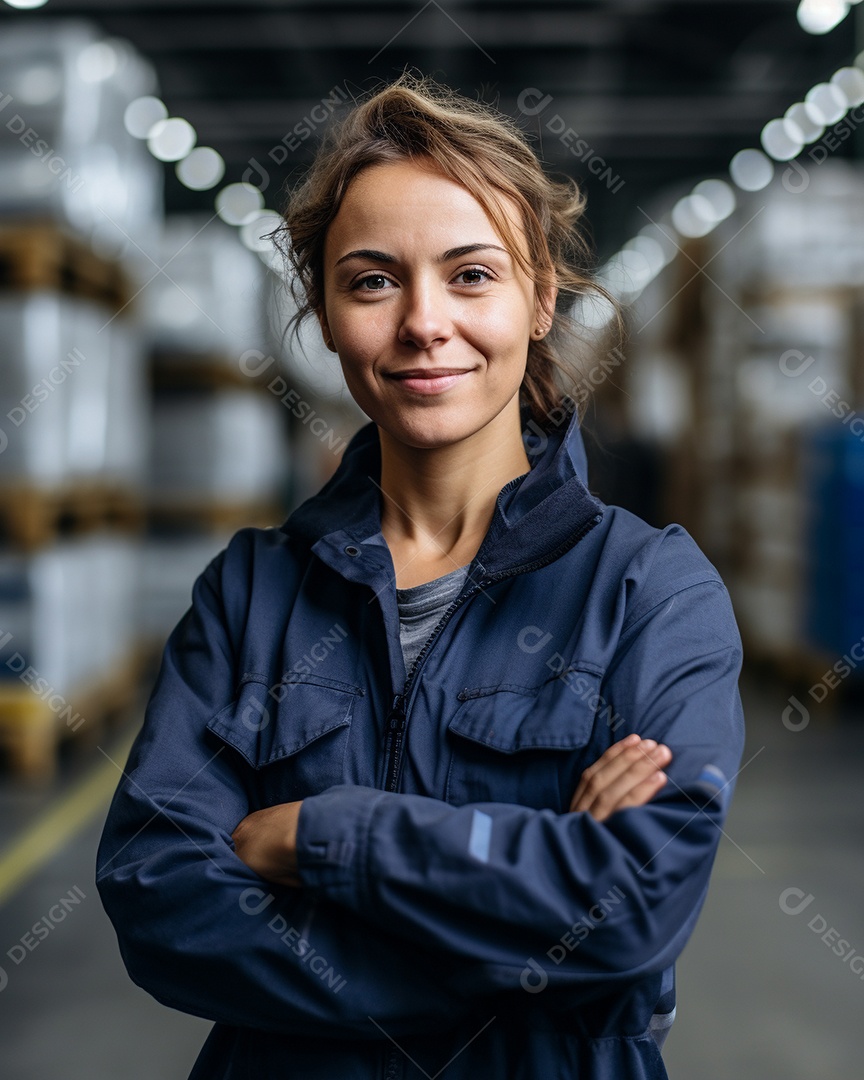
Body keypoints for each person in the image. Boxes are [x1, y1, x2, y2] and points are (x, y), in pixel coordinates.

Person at [96, 72, 746, 1080]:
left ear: (540, 300)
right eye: (372, 280)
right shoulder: (251, 594)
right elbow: (158, 893)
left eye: (472, 275)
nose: (423, 323)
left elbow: (632, 907)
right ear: (324, 314)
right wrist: (519, 950)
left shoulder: (648, 592)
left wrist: (323, 836)